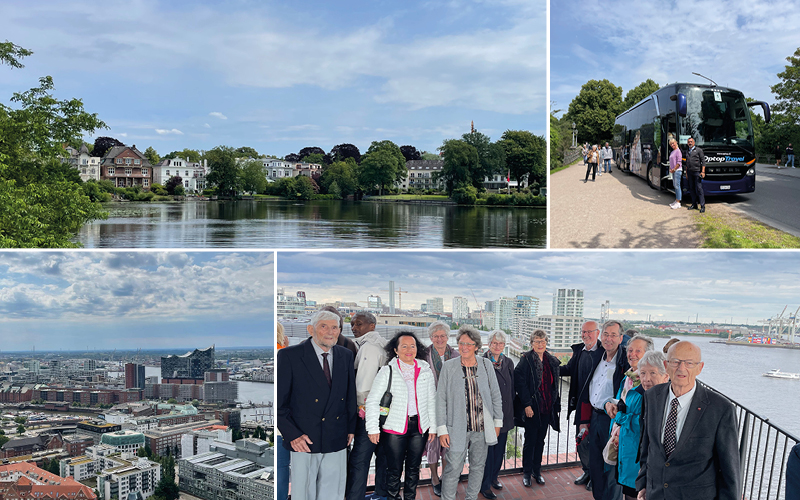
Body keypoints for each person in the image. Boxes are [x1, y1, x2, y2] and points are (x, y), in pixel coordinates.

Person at [636, 341, 740, 500]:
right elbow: (648, 446)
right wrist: (644, 483)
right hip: (655, 494)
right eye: (675, 362)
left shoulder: (721, 408)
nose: (681, 368)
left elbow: (729, 469)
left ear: (700, 367)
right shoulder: (652, 396)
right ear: (666, 365)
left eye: (689, 363)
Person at [277, 310, 357, 500]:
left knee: (334, 491)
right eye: (324, 326)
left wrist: (351, 428)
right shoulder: (290, 356)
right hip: (304, 438)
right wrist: (293, 435)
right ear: (310, 329)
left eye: (335, 327)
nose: (331, 332)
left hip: (336, 434)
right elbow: (280, 403)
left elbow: (349, 395)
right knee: (304, 492)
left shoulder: (345, 355)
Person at [365, 331, 437, 500]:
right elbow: (373, 400)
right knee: (394, 469)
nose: (408, 350)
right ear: (396, 350)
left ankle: (410, 497)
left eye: (412, 346)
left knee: (414, 468)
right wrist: (372, 428)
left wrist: (433, 427)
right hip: (394, 428)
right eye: (403, 346)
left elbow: (431, 401)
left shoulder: (424, 370)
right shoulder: (387, 371)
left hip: (419, 427)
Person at [436, 326, 503, 500]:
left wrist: (497, 423)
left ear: (476, 346)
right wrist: (442, 429)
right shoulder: (448, 367)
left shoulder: (486, 365)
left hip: (482, 427)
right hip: (456, 428)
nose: (464, 347)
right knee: (453, 468)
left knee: (478, 466)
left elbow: (496, 395)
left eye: (468, 343)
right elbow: (440, 399)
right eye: (461, 343)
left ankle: (471, 497)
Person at [606, 334, 656, 500]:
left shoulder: (648, 385)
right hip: (624, 443)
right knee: (627, 491)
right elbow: (622, 403)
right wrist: (609, 404)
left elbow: (645, 419)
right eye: (630, 350)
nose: (632, 354)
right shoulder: (628, 378)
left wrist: (620, 417)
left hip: (637, 450)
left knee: (635, 492)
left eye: (638, 350)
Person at [346, 312, 388, 500]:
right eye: (352, 324)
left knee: (359, 460)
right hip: (384, 413)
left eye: (359, 324)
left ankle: (355, 497)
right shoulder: (381, 345)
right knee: (383, 457)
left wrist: (356, 409)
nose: (354, 328)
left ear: (372, 326)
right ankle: (381, 494)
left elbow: (363, 385)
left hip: (368, 413)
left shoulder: (369, 348)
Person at [588, 320, 630, 500]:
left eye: (613, 335)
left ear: (621, 338)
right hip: (595, 417)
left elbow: (628, 393)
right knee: (595, 465)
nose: (608, 338)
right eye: (606, 334)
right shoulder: (597, 356)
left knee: (612, 466)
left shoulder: (625, 363)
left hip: (612, 419)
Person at [561, 320, 604, 491]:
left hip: (598, 407)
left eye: (589, 332)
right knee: (581, 441)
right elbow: (568, 369)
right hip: (581, 405)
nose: (585, 335)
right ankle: (587, 471)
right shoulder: (579, 351)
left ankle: (596, 476)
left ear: (597, 333)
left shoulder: (603, 353)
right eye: (583, 332)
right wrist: (546, 366)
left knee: (596, 443)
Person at [514, 329, 561, 487]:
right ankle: (526, 472)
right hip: (532, 408)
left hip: (547, 407)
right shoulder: (526, 360)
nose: (540, 344)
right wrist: (526, 404)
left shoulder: (551, 360)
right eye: (537, 341)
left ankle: (537, 471)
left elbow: (554, 383)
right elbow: (520, 382)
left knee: (541, 441)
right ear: (532, 343)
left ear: (546, 343)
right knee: (530, 441)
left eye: (543, 341)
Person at [424, 321, 459, 497]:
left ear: (448, 337)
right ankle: (434, 479)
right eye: (436, 336)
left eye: (443, 336)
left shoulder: (456, 355)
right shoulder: (423, 355)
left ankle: (445, 478)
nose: (439, 339)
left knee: (448, 445)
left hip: (451, 408)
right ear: (431, 338)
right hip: (429, 406)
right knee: (432, 444)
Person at [480, 331, 515, 499]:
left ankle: (494, 478)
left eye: (501, 344)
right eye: (494, 343)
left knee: (500, 450)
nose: (497, 346)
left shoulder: (508, 362)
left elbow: (512, 388)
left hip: (505, 414)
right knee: (488, 452)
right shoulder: (481, 362)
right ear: (489, 344)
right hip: (488, 415)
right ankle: (484, 485)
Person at [276, 323, 289, 500]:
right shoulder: (285, 355)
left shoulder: (282, 354)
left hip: (281, 429)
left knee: (281, 467)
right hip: (289, 426)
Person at [685, 137, 706, 213]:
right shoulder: (687, 151)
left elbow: (703, 161)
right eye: (688, 142)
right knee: (692, 188)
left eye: (691, 142)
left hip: (697, 172)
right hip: (690, 172)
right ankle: (694, 204)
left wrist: (703, 172)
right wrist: (687, 173)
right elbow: (687, 163)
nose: (690, 143)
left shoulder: (699, 150)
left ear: (694, 143)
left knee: (699, 189)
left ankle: (702, 206)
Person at [668, 139, 683, 209]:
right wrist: (670, 169)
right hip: (673, 171)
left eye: (673, 143)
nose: (672, 145)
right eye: (671, 144)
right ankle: (676, 200)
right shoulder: (673, 152)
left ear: (676, 143)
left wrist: (674, 169)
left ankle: (678, 202)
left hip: (677, 170)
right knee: (675, 185)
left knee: (677, 186)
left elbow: (679, 162)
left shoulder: (678, 151)